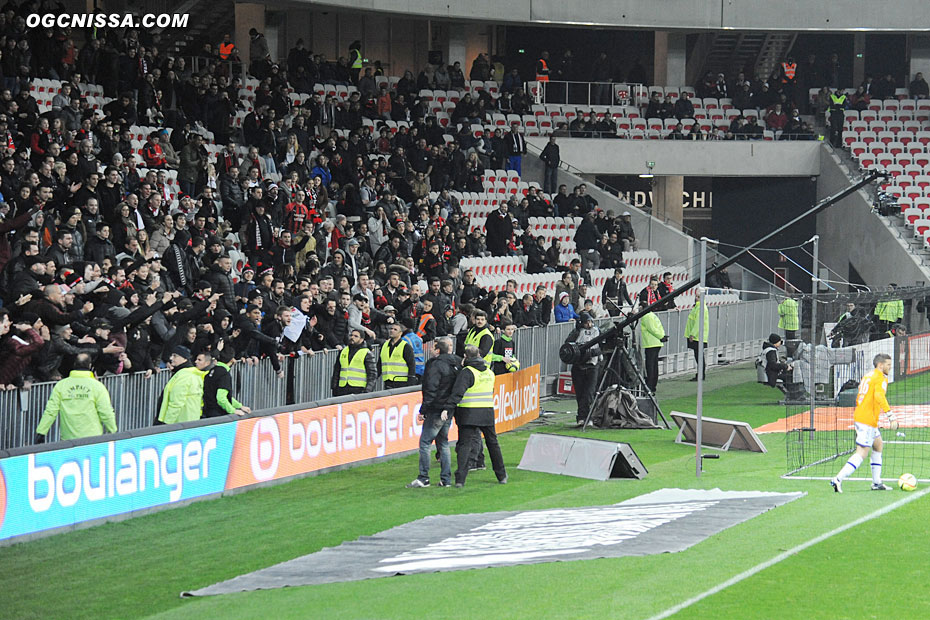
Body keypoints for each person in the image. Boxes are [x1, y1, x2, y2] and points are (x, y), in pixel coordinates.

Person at [444, 345, 507, 488]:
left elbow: (457, 392)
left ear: (465, 357)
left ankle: (460, 479)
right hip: (487, 412)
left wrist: (448, 408)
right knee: (493, 444)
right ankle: (501, 475)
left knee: (465, 445)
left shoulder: (467, 372)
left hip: (469, 413)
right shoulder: (489, 373)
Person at [831, 353, 895, 493]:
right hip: (867, 420)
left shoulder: (868, 375)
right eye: (888, 365)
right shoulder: (879, 377)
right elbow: (879, 396)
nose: (890, 367)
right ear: (880, 365)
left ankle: (877, 482)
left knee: (878, 444)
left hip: (864, 417)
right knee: (862, 452)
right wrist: (890, 414)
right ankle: (838, 479)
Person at [407, 337, 460, 488]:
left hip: (436, 409)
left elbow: (431, 389)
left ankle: (423, 478)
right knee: (443, 443)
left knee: (425, 443)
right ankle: (446, 479)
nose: (430, 350)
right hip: (447, 409)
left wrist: (423, 410)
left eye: (432, 347)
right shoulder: (455, 362)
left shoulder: (435, 365)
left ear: (437, 350)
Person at [35, 353, 117, 442]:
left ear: (74, 365)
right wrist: (113, 431)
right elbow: (106, 411)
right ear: (90, 366)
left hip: (68, 439)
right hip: (93, 438)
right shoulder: (97, 386)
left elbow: (50, 411)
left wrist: (41, 432)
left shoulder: (61, 385)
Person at [157, 348, 211, 425]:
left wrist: (166, 424)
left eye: (175, 356)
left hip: (178, 423)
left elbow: (176, 403)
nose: (171, 358)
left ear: (184, 358)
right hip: (189, 422)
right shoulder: (194, 374)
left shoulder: (184, 376)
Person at [566, 313, 601, 426]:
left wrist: (592, 353)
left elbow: (602, 347)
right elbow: (568, 346)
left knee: (589, 393)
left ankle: (587, 416)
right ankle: (582, 417)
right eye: (587, 322)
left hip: (592, 365)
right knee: (580, 393)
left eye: (590, 322)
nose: (589, 325)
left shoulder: (597, 331)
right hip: (578, 366)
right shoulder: (576, 333)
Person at [203, 345, 252, 417]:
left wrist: (239, 406)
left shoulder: (211, 370)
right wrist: (233, 410)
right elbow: (221, 398)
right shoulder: (224, 374)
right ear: (232, 360)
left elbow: (226, 397)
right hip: (218, 416)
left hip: (206, 413)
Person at [331, 328, 377, 396]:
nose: (352, 337)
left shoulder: (366, 353)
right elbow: (337, 370)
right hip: (342, 388)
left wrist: (367, 391)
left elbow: (372, 374)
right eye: (351, 335)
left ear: (362, 339)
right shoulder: (343, 351)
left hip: (358, 389)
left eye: (356, 336)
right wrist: (334, 387)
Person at [639, 302, 667, 394]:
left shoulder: (646, 316)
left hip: (651, 343)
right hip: (656, 342)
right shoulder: (653, 315)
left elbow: (652, 329)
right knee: (654, 365)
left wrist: (661, 337)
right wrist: (662, 336)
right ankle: (653, 385)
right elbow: (658, 327)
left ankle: (650, 386)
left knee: (650, 365)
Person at [379, 322, 416, 388]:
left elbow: (411, 365)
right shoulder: (384, 345)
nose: (392, 331)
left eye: (395, 329)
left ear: (400, 333)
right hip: (388, 381)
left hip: (401, 381)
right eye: (391, 329)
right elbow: (379, 364)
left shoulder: (406, 346)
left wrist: (411, 382)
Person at [685, 295, 709, 381]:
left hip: (698, 336)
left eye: (698, 296)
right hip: (698, 336)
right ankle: (700, 374)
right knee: (699, 356)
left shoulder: (700, 308)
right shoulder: (698, 307)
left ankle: (700, 375)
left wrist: (692, 334)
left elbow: (698, 323)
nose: (696, 298)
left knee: (699, 356)